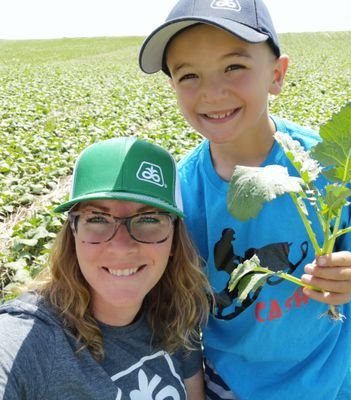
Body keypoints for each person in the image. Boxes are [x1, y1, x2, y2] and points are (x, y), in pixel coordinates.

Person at [138, 1, 351, 399]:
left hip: (326, 378)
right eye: (189, 75)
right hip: (232, 384)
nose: (212, 91)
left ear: (276, 74)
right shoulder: (181, 191)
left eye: (233, 66)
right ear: (172, 87)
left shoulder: (332, 165)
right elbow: (178, 308)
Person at [0, 137, 210, 400]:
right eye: (97, 218)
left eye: (148, 219)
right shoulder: (31, 340)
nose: (121, 246)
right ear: (73, 233)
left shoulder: (175, 313)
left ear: (174, 240)